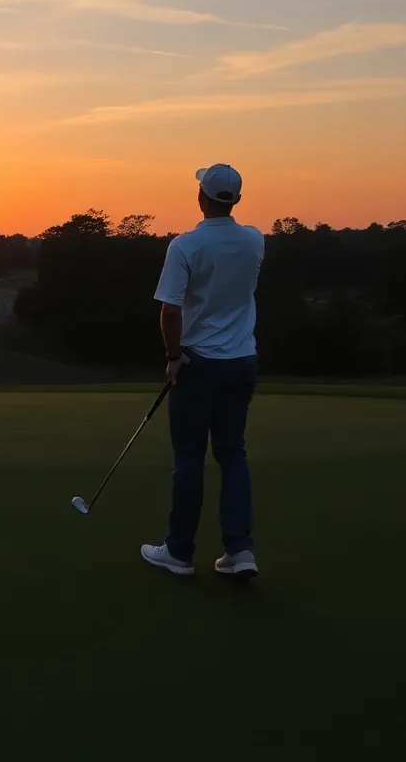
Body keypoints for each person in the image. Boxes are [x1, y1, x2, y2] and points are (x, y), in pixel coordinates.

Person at [141, 163, 264, 579]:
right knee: (232, 455)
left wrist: (173, 356)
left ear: (201, 196)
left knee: (189, 460)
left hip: (197, 364)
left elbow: (170, 309)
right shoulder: (254, 241)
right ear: (237, 200)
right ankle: (240, 550)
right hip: (242, 361)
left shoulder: (185, 246)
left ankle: (178, 553)